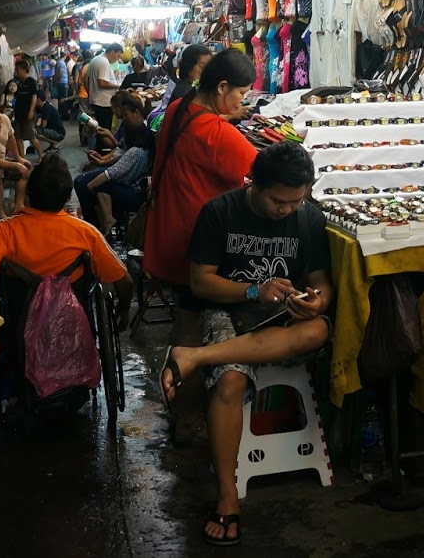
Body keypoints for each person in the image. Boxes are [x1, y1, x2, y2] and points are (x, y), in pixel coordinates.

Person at [157, 141, 333, 547]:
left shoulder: (308, 218)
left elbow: (322, 280)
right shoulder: (220, 212)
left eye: (296, 201)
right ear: (254, 182)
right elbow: (201, 282)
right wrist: (254, 290)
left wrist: (318, 300)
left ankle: (193, 357)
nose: (286, 210)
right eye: (278, 201)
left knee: (319, 329)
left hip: (283, 318)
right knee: (231, 382)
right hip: (229, 311)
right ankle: (227, 496)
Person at [143, 50, 260, 443]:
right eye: (241, 94)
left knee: (186, 318)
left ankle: (184, 411)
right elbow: (264, 171)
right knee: (192, 328)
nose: (243, 102)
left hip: (171, 227)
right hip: (197, 242)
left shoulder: (179, 108)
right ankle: (191, 416)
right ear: (222, 87)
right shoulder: (214, 132)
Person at [0, 153, 133, 314]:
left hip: (19, 323)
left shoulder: (1, 231)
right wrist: (123, 312)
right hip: (72, 325)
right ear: (68, 197)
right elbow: (125, 282)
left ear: (27, 191)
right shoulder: (86, 233)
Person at [75, 91, 153, 234]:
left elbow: (113, 170)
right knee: (86, 178)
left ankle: (96, 222)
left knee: (85, 183)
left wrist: (93, 181)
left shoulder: (136, 143)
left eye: (117, 109)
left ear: (135, 112)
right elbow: (119, 150)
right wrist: (102, 160)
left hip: (130, 185)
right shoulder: (133, 136)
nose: (118, 114)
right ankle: (99, 220)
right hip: (122, 172)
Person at [7, 59, 45, 161]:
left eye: (18, 69)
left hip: (27, 113)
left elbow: (34, 97)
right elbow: (18, 99)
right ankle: (21, 158)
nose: (16, 71)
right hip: (19, 113)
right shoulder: (19, 82)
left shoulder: (31, 82)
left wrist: (31, 111)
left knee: (30, 136)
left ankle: (41, 155)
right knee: (18, 136)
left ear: (24, 70)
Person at [85, 43, 124, 129]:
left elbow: (86, 79)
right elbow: (102, 83)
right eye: (118, 56)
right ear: (112, 52)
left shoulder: (95, 59)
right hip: (103, 104)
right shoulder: (104, 62)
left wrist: (90, 94)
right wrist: (118, 86)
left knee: (98, 129)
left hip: (96, 101)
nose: (118, 59)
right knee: (104, 130)